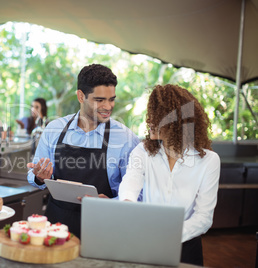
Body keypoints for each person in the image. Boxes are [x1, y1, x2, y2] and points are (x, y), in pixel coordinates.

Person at [27, 64, 140, 238]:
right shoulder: (54, 129)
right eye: (99, 100)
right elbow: (33, 175)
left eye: (111, 99)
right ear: (81, 96)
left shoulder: (126, 138)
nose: (108, 106)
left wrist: (112, 203)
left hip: (103, 226)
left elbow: (138, 194)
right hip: (56, 223)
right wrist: (39, 176)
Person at [118, 84, 220, 266]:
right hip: (146, 241)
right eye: (150, 114)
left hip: (186, 245)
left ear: (176, 122)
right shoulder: (143, 151)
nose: (149, 120)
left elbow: (204, 217)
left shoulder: (209, 161)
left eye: (157, 116)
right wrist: (127, 205)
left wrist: (167, 234)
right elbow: (131, 181)